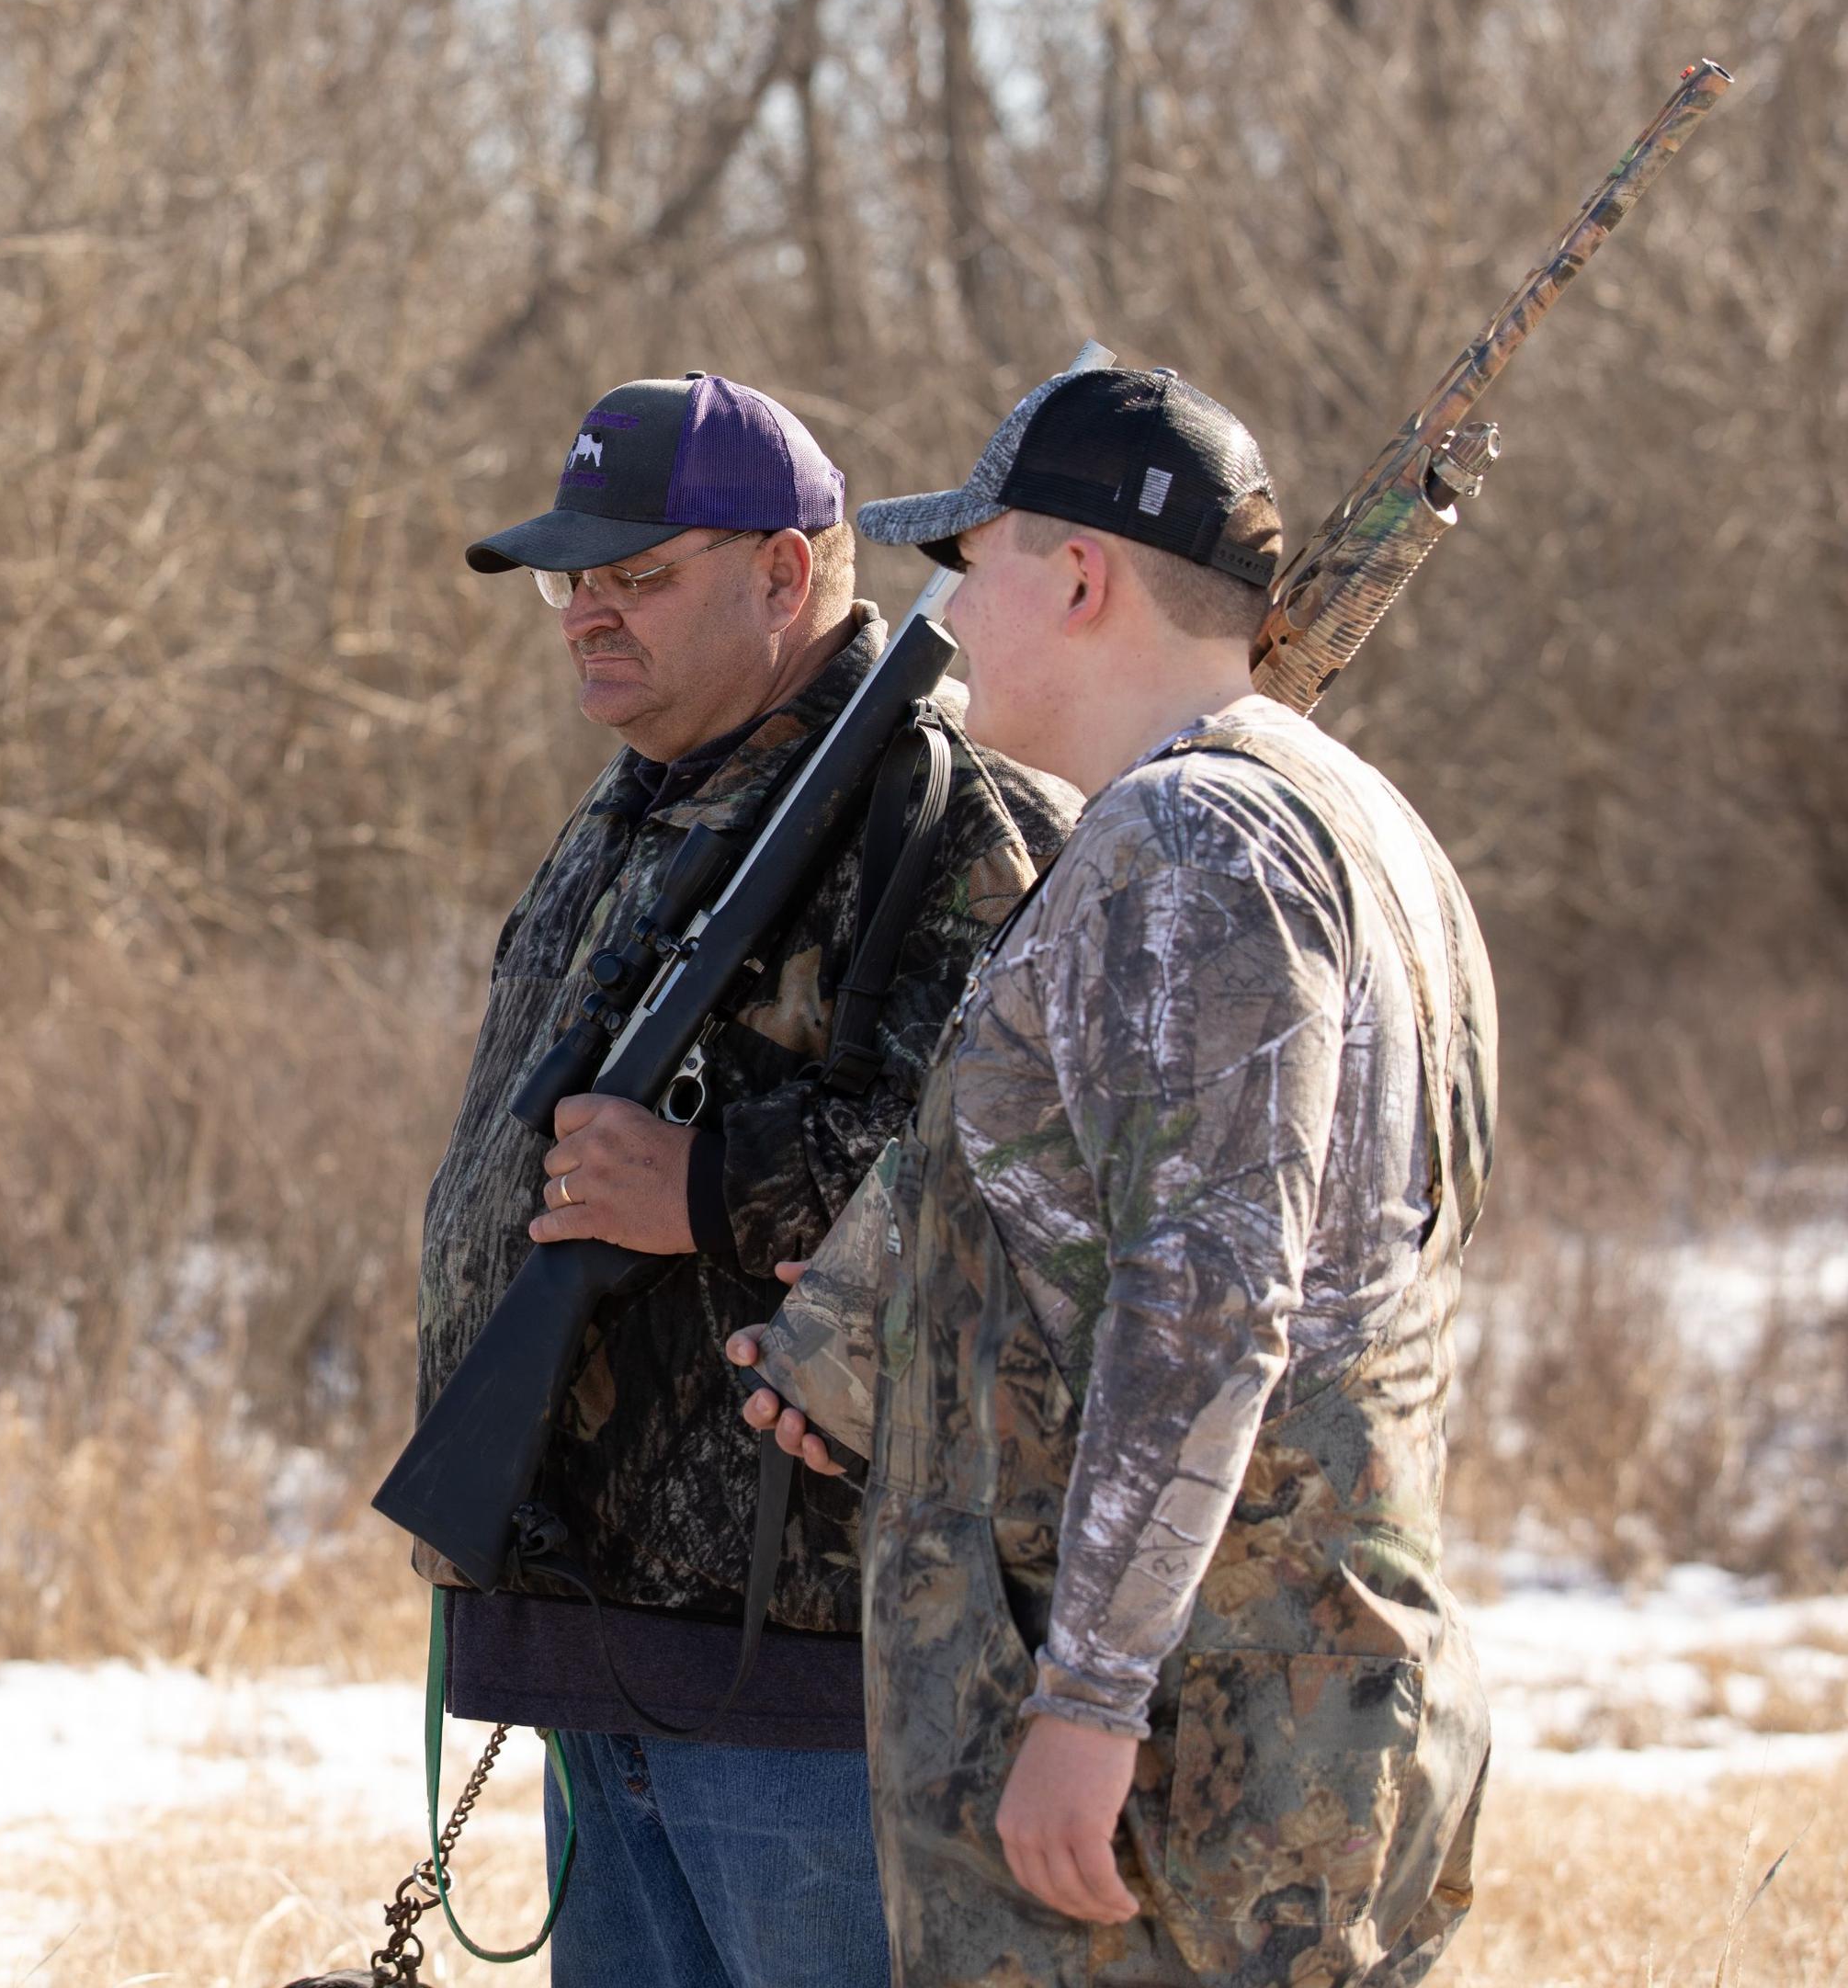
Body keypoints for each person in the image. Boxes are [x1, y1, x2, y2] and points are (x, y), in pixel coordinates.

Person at [733, 361, 1497, 1986]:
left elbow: (1211, 1298)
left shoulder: (1196, 845)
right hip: (1274, 1709)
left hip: (1194, 1766)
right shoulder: (1343, 816)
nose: (948, 621)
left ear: (1077, 574)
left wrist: (1086, 1698)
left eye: (972, 563)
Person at [416, 372, 1076, 1988]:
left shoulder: (946, 813)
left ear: (787, 574)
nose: (586, 616)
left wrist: (713, 1188)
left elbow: (1025, 1189)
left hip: (813, 1676)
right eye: (573, 581)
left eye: (636, 576)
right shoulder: (640, 805)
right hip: (604, 1636)